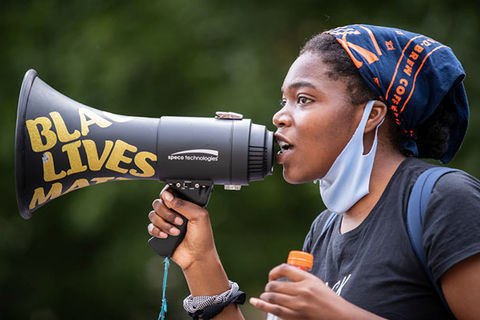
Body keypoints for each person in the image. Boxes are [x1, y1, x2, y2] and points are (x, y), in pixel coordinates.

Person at [147, 24, 480, 320]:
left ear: (373, 115)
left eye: (303, 99)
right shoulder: (323, 231)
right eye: (284, 101)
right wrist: (199, 260)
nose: (280, 117)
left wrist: (335, 314)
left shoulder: (443, 199)